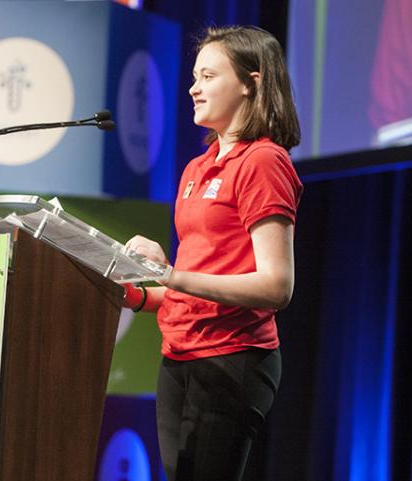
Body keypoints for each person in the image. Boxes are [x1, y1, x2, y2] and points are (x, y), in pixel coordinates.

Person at [123, 26, 303, 481]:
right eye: (194, 76)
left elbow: (275, 286)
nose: (193, 88)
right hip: (178, 355)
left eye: (208, 76)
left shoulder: (263, 161)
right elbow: (201, 280)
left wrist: (169, 274)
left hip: (232, 359)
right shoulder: (196, 168)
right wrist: (138, 294)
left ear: (251, 82)